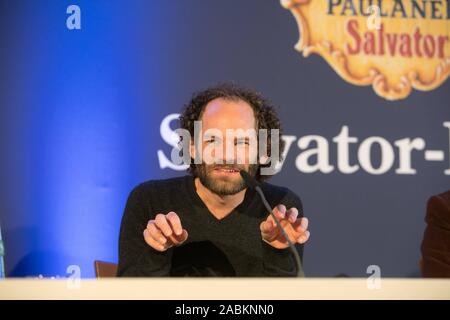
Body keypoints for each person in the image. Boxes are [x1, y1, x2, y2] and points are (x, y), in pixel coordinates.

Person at [117, 83, 310, 277]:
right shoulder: (150, 200)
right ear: (192, 147)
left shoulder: (278, 208)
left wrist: (277, 252)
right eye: (212, 140)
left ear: (263, 152)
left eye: (241, 142)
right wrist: (156, 252)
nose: (226, 155)